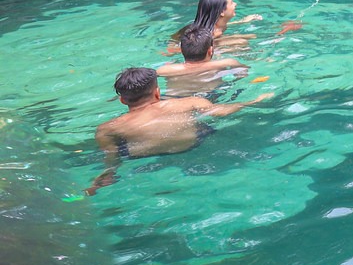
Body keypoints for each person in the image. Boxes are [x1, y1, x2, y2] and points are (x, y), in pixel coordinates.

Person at [87, 67, 271, 195]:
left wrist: (107, 172)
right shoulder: (189, 102)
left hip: (141, 158)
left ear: (122, 100)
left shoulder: (107, 129)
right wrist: (252, 102)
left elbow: (111, 158)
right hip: (193, 145)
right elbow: (220, 112)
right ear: (157, 92)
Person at [156, 26, 248, 96]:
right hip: (212, 97)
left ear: (181, 49)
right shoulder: (227, 63)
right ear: (210, 50)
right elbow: (243, 75)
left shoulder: (165, 70)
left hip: (175, 101)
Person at [168, 0, 259, 56]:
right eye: (231, 3)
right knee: (242, 42)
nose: (235, 4)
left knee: (247, 38)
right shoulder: (212, 33)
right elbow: (193, 49)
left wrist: (242, 21)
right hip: (176, 48)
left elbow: (223, 26)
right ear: (221, 12)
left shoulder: (214, 25)